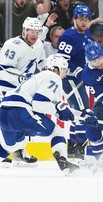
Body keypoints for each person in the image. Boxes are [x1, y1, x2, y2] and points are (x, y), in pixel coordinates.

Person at [0, 54, 98, 174]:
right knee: (56, 131)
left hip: (4, 113)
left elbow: (59, 108)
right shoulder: (52, 76)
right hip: (20, 111)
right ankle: (64, 163)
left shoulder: (38, 78)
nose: (65, 74)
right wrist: (59, 109)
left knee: (10, 146)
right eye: (64, 70)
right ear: (56, 69)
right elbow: (39, 104)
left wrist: (83, 116)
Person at [0, 17, 47, 167]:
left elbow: (42, 64)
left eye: (37, 31)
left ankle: (19, 151)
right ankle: (7, 152)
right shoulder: (12, 45)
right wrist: (23, 77)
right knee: (5, 122)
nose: (34, 34)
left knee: (21, 120)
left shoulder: (39, 44)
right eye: (31, 31)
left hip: (23, 91)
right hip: (5, 88)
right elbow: (3, 69)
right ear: (24, 30)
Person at [57, 4, 93, 159]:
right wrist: (79, 72)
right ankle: (80, 144)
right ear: (74, 19)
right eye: (81, 19)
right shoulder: (68, 36)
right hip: (71, 79)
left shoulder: (87, 34)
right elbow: (62, 60)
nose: (84, 22)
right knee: (83, 111)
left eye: (86, 19)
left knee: (78, 112)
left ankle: (72, 145)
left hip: (81, 79)